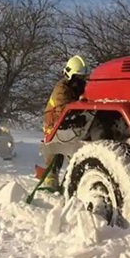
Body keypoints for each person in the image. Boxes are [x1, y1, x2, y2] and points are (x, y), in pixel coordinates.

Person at [41, 55, 91, 190]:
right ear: (70, 75)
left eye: (83, 78)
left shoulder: (78, 89)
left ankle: (72, 181)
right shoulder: (61, 90)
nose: (81, 82)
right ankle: (50, 183)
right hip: (53, 126)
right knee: (54, 157)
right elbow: (64, 109)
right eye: (78, 78)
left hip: (68, 127)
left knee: (73, 156)